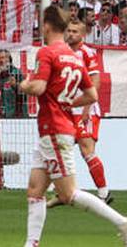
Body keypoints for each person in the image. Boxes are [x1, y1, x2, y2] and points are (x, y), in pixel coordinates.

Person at [19, 5, 127, 247]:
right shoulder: (74, 57)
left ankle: (123, 222)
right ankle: (31, 244)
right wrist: (68, 101)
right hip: (55, 128)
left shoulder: (47, 52)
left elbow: (39, 88)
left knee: (68, 193)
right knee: (35, 190)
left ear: (48, 26)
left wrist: (25, 85)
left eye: (42, 24)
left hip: (54, 129)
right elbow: (92, 94)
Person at [47, 17, 111, 209]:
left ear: (83, 34)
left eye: (75, 32)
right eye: (69, 31)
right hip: (67, 109)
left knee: (86, 150)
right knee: (59, 148)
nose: (71, 34)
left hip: (85, 110)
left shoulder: (87, 53)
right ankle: (62, 192)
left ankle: (103, 193)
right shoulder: (63, 52)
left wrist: (86, 109)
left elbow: (95, 82)